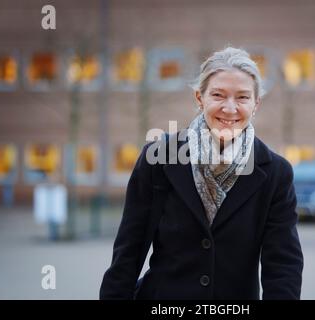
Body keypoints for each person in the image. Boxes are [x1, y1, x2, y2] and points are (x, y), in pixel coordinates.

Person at [100, 47, 303, 300]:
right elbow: (129, 249)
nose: (230, 108)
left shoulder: (275, 172)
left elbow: (283, 265)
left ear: (256, 104)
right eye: (218, 95)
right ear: (199, 98)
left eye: (242, 97)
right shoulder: (159, 158)